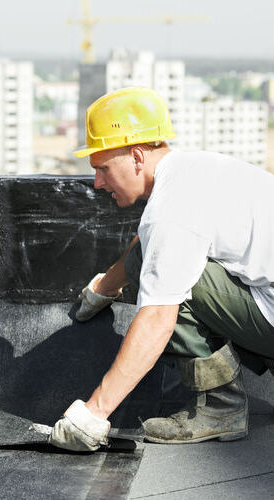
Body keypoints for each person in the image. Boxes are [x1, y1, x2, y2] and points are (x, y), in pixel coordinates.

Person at [48, 87, 274, 451]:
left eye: (103, 168)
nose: (97, 183)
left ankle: (221, 407)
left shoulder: (171, 210)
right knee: (158, 262)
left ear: (136, 156)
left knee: (175, 286)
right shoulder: (193, 169)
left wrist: (93, 415)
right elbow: (151, 246)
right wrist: (104, 288)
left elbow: (157, 320)